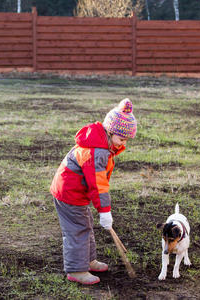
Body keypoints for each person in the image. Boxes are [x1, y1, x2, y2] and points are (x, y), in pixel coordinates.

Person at [50, 98, 137, 285]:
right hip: (69, 193)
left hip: (76, 192)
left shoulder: (102, 144)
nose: (123, 144)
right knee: (78, 229)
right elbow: (98, 185)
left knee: (86, 224)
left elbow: (97, 182)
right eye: (121, 139)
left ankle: (88, 261)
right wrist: (105, 211)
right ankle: (76, 270)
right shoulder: (98, 151)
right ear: (110, 132)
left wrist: (102, 210)